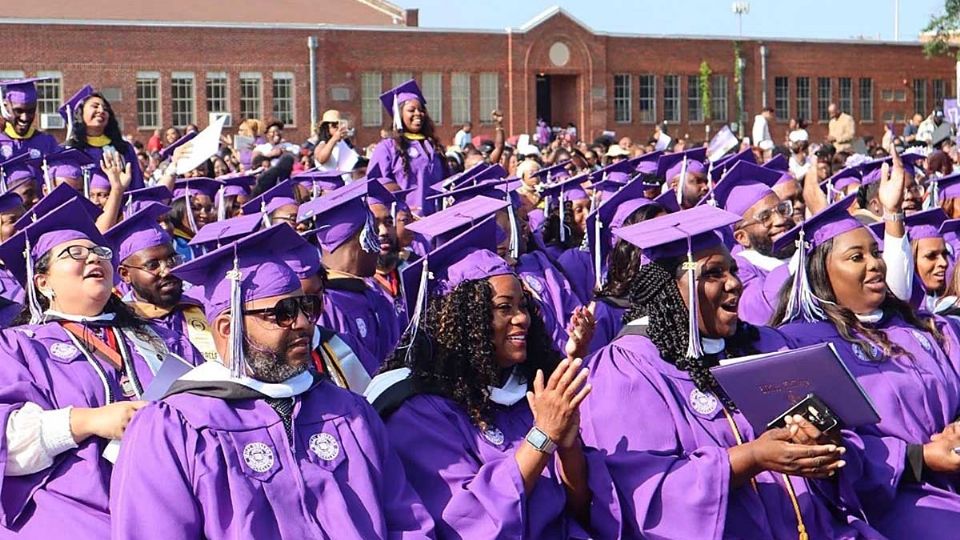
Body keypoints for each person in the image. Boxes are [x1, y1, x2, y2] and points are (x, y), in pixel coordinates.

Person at [110, 224, 435, 539]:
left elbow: (406, 520)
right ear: (227, 329)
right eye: (282, 312)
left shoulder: (349, 411)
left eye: (306, 306)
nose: (304, 323)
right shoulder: (173, 427)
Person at [579, 205, 878, 538]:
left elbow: (846, 440)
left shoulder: (765, 344)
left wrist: (822, 445)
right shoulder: (627, 369)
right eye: (713, 273)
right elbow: (644, 491)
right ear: (670, 290)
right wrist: (750, 458)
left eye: (732, 270)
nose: (734, 283)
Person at [366, 218, 618, 538]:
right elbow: (467, 524)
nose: (522, 318)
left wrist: (568, 448)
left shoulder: (529, 390)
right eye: (504, 307)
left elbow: (581, 509)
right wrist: (541, 437)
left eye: (523, 305)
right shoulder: (419, 410)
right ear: (464, 319)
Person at [772, 163, 960, 537]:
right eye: (857, 257)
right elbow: (830, 445)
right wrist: (917, 459)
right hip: (887, 502)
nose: (875, 264)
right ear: (821, 273)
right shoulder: (803, 345)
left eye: (875, 252)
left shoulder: (922, 328)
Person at [0, 198, 201, 538]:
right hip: (70, 518)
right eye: (74, 253)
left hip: (172, 510)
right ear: (43, 282)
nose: (93, 257)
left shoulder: (161, 339)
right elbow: (7, 441)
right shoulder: (17, 347)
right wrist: (87, 420)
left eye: (99, 252)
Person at [298, 179, 401, 365]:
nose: (379, 242)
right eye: (373, 233)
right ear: (360, 239)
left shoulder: (375, 295)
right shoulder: (323, 305)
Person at [106, 202, 218, 361]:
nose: (167, 270)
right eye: (152, 265)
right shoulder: (119, 327)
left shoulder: (204, 308)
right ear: (125, 274)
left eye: (173, 260)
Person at [368, 80, 447, 215]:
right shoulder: (388, 147)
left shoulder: (432, 146)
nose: (418, 114)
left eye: (421, 110)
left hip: (436, 219)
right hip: (405, 221)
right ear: (399, 115)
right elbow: (375, 185)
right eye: (411, 110)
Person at [60, 86, 144, 190]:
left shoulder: (123, 149)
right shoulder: (68, 151)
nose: (101, 110)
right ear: (80, 114)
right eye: (95, 106)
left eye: (105, 109)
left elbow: (137, 185)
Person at [0, 78, 60, 161]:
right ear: (6, 107)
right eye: (18, 111)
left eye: (30, 111)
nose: (24, 118)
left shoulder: (47, 142)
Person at [168, 178, 219, 260]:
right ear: (178, 208)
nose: (205, 215)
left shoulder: (214, 242)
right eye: (195, 208)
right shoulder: (169, 243)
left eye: (208, 209)